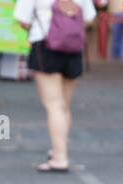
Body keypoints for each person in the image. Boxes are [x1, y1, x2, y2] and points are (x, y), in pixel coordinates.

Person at [14, 0, 96, 173]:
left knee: (54, 106)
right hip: (74, 49)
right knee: (64, 106)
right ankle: (58, 150)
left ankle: (59, 157)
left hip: (45, 46)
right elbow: (90, 18)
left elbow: (22, 19)